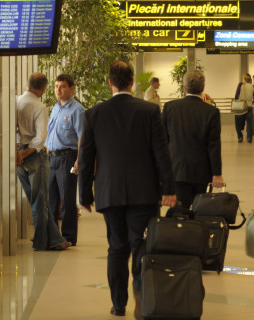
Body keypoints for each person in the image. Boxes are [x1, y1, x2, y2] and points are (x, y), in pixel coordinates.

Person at [78, 61, 176, 318]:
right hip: (144, 191)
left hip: (109, 192)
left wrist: (85, 195)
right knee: (141, 246)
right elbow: (161, 153)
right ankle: (142, 297)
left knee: (116, 247)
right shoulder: (149, 111)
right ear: (132, 82)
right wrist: (169, 188)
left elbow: (86, 157)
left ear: (110, 83)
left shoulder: (94, 113)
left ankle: (118, 304)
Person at [16, 73, 71, 251]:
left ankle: (54, 239)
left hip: (18, 156)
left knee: (36, 199)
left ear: (27, 84)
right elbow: (40, 138)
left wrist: (18, 154)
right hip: (32, 156)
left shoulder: (16, 101)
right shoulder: (38, 106)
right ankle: (41, 242)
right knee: (40, 200)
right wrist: (25, 154)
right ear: (44, 88)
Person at [162, 70, 223, 210]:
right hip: (202, 172)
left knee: (178, 213)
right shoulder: (211, 112)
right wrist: (217, 173)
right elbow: (213, 144)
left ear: (184, 87)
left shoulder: (170, 108)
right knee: (201, 212)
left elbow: (163, 142)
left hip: (177, 171)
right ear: (203, 87)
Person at [46, 73, 85, 246]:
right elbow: (52, 132)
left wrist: (79, 160)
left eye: (62, 87)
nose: (58, 90)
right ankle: (53, 236)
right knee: (51, 199)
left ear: (71, 88)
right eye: (56, 86)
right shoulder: (56, 107)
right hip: (52, 158)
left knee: (67, 200)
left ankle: (68, 237)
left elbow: (82, 137)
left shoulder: (77, 110)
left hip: (68, 158)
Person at [233, 73, 254, 143]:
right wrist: (252, 102)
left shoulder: (240, 84)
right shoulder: (252, 86)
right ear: (250, 79)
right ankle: (249, 138)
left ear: (244, 79)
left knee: (237, 122)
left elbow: (236, 95)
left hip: (241, 106)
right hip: (249, 106)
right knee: (249, 123)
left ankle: (240, 137)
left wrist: (238, 99)